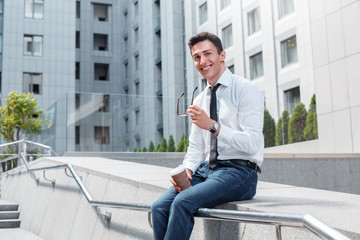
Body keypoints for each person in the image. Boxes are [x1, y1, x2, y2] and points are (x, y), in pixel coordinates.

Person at [151, 32, 264, 240]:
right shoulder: (201, 99)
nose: (202, 61)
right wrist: (187, 170)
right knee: (158, 207)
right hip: (205, 170)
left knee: (183, 202)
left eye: (207, 54)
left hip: (239, 171)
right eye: (196, 57)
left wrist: (213, 126)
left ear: (222, 55)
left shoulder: (246, 89)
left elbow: (253, 143)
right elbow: (195, 148)